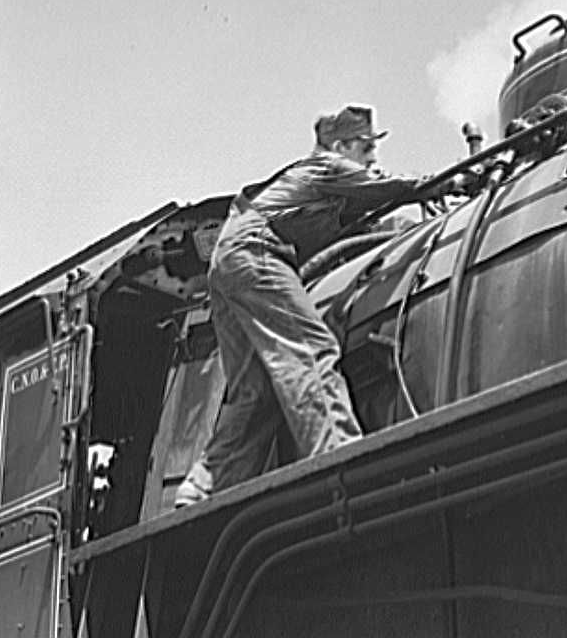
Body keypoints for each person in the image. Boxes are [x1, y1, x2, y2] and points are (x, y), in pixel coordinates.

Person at [176, 104, 446, 505]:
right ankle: (338, 455)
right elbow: (386, 186)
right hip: (258, 252)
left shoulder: (314, 186)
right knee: (311, 349)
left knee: (254, 388)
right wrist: (440, 183)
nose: (372, 156)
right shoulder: (326, 167)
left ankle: (204, 485)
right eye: (366, 146)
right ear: (340, 146)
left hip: (227, 262)